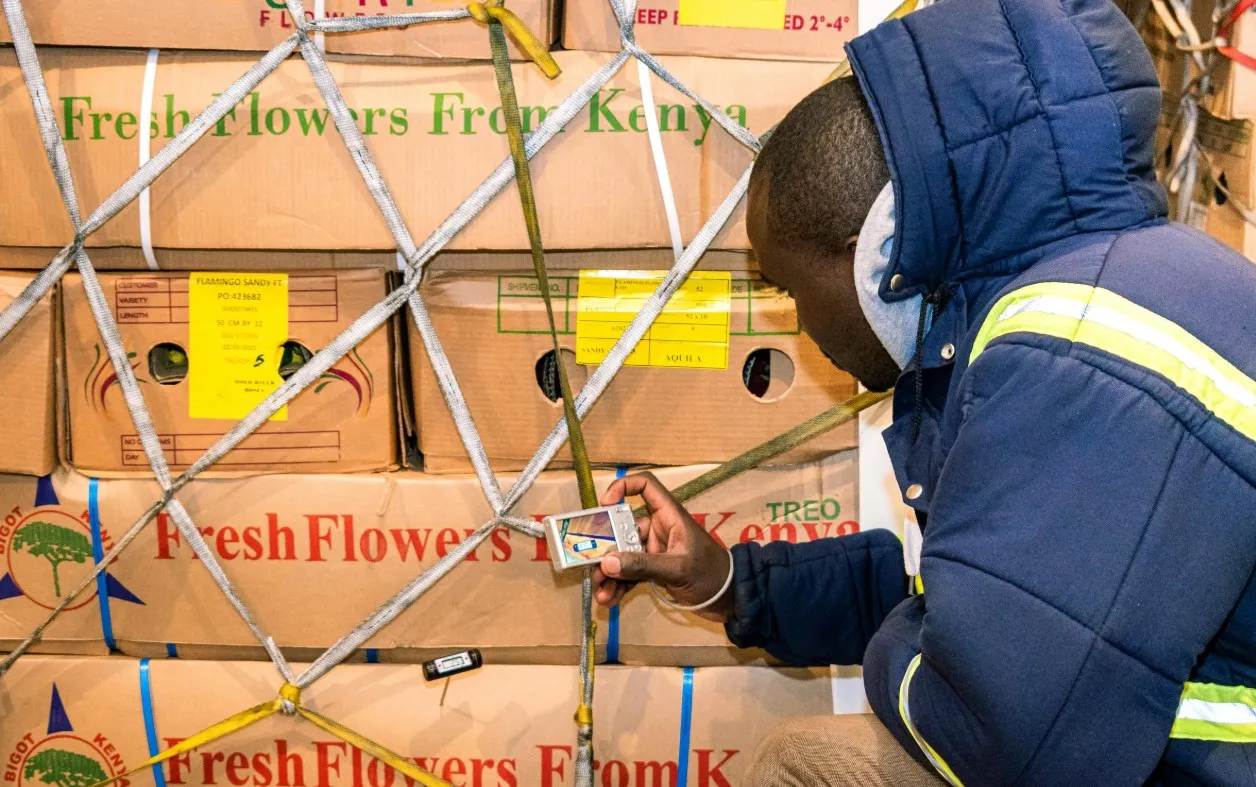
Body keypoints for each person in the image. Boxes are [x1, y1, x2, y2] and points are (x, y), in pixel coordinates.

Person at [592, 0, 1256, 783]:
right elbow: (951, 587)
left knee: (800, 766)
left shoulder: (1077, 353)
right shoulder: (1068, 304)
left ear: (872, 256)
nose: (802, 331)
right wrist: (731, 582)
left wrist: (910, 644)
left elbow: (998, 739)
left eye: (793, 291)